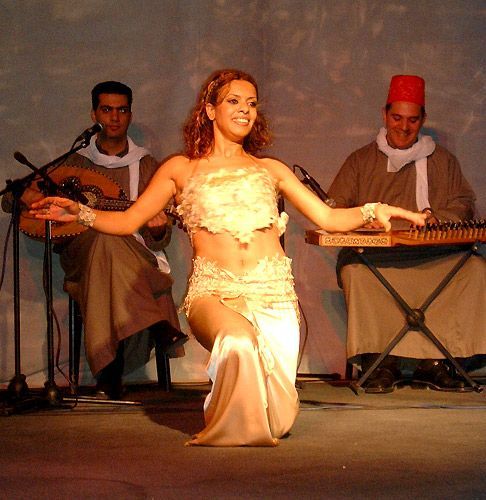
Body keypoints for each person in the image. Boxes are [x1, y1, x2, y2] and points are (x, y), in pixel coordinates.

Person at [29, 69, 426, 446]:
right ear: (209, 110)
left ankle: (250, 416)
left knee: (278, 421)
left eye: (251, 103)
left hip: (273, 296)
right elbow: (129, 220)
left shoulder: (271, 170)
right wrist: (79, 212)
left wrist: (376, 210)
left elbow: (328, 217)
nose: (244, 110)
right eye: (233, 101)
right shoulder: (180, 169)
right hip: (215, 294)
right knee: (238, 343)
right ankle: (227, 429)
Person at [5, 81, 187, 399]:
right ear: (94, 114)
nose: (114, 117)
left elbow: (159, 241)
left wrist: (158, 228)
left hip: (134, 255)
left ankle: (109, 370)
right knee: (103, 241)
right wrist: (27, 196)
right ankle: (156, 323)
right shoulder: (75, 162)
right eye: (107, 109)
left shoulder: (146, 166)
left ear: (130, 115)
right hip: (81, 256)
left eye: (122, 110)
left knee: (109, 241)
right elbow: (10, 198)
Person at [327, 74, 486, 394]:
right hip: (375, 257)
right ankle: (380, 361)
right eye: (397, 118)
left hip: (435, 256)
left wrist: (435, 219)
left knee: (475, 269)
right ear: (385, 115)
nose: (404, 127)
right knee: (355, 271)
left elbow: (463, 204)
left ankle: (440, 362)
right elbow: (333, 209)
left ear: (423, 120)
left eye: (412, 120)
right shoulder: (360, 161)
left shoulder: (443, 161)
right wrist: (363, 221)